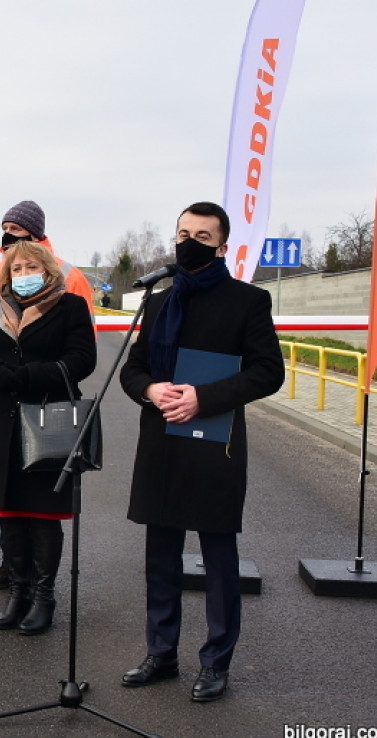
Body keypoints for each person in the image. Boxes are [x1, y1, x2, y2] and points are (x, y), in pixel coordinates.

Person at [119, 201, 283, 702]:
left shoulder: (248, 301)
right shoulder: (160, 301)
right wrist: (151, 390)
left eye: (202, 236)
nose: (189, 242)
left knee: (217, 558)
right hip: (162, 441)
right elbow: (133, 368)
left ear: (222, 246)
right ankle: (161, 652)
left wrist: (203, 396)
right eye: (183, 233)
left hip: (215, 446)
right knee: (160, 557)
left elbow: (267, 372)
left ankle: (216, 661)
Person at [0, 241, 96, 634]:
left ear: (48, 269)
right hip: (2, 422)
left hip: (47, 420)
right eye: (16, 268)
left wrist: (29, 375)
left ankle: (44, 597)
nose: (23, 274)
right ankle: (17, 592)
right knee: (9, 515)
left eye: (30, 266)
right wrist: (0, 373)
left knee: (42, 516)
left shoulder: (70, 306)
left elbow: (82, 359)